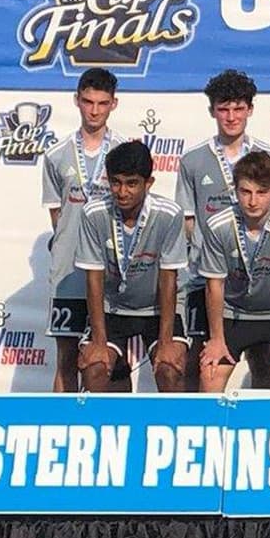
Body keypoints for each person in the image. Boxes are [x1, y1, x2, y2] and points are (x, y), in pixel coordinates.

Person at [177, 69, 270, 390]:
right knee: (201, 359)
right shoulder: (193, 160)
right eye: (223, 108)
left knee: (261, 359)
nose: (231, 116)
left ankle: (264, 428)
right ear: (212, 110)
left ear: (250, 110)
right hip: (207, 278)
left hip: (258, 277)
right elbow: (188, 220)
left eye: (238, 108)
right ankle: (200, 429)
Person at [74, 141, 189, 393]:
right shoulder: (93, 212)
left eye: (132, 183)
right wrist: (99, 342)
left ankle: (168, 429)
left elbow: (169, 279)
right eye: (115, 182)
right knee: (95, 368)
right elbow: (93, 278)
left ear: (149, 183)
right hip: (111, 308)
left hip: (157, 308)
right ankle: (104, 429)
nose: (122, 192)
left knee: (170, 369)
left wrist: (167, 341)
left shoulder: (169, 214)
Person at [196, 151, 270, 392]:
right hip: (234, 313)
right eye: (245, 192)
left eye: (261, 192)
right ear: (235, 191)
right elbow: (214, 286)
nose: (253, 201)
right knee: (210, 374)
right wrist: (217, 339)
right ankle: (213, 426)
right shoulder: (218, 225)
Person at [42, 68, 127, 393]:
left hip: (113, 275)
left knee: (112, 360)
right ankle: (57, 431)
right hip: (69, 275)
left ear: (113, 104)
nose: (94, 110)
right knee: (65, 357)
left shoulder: (125, 152)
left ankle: (110, 428)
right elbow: (57, 216)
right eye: (88, 102)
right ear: (77, 101)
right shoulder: (56, 155)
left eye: (102, 103)